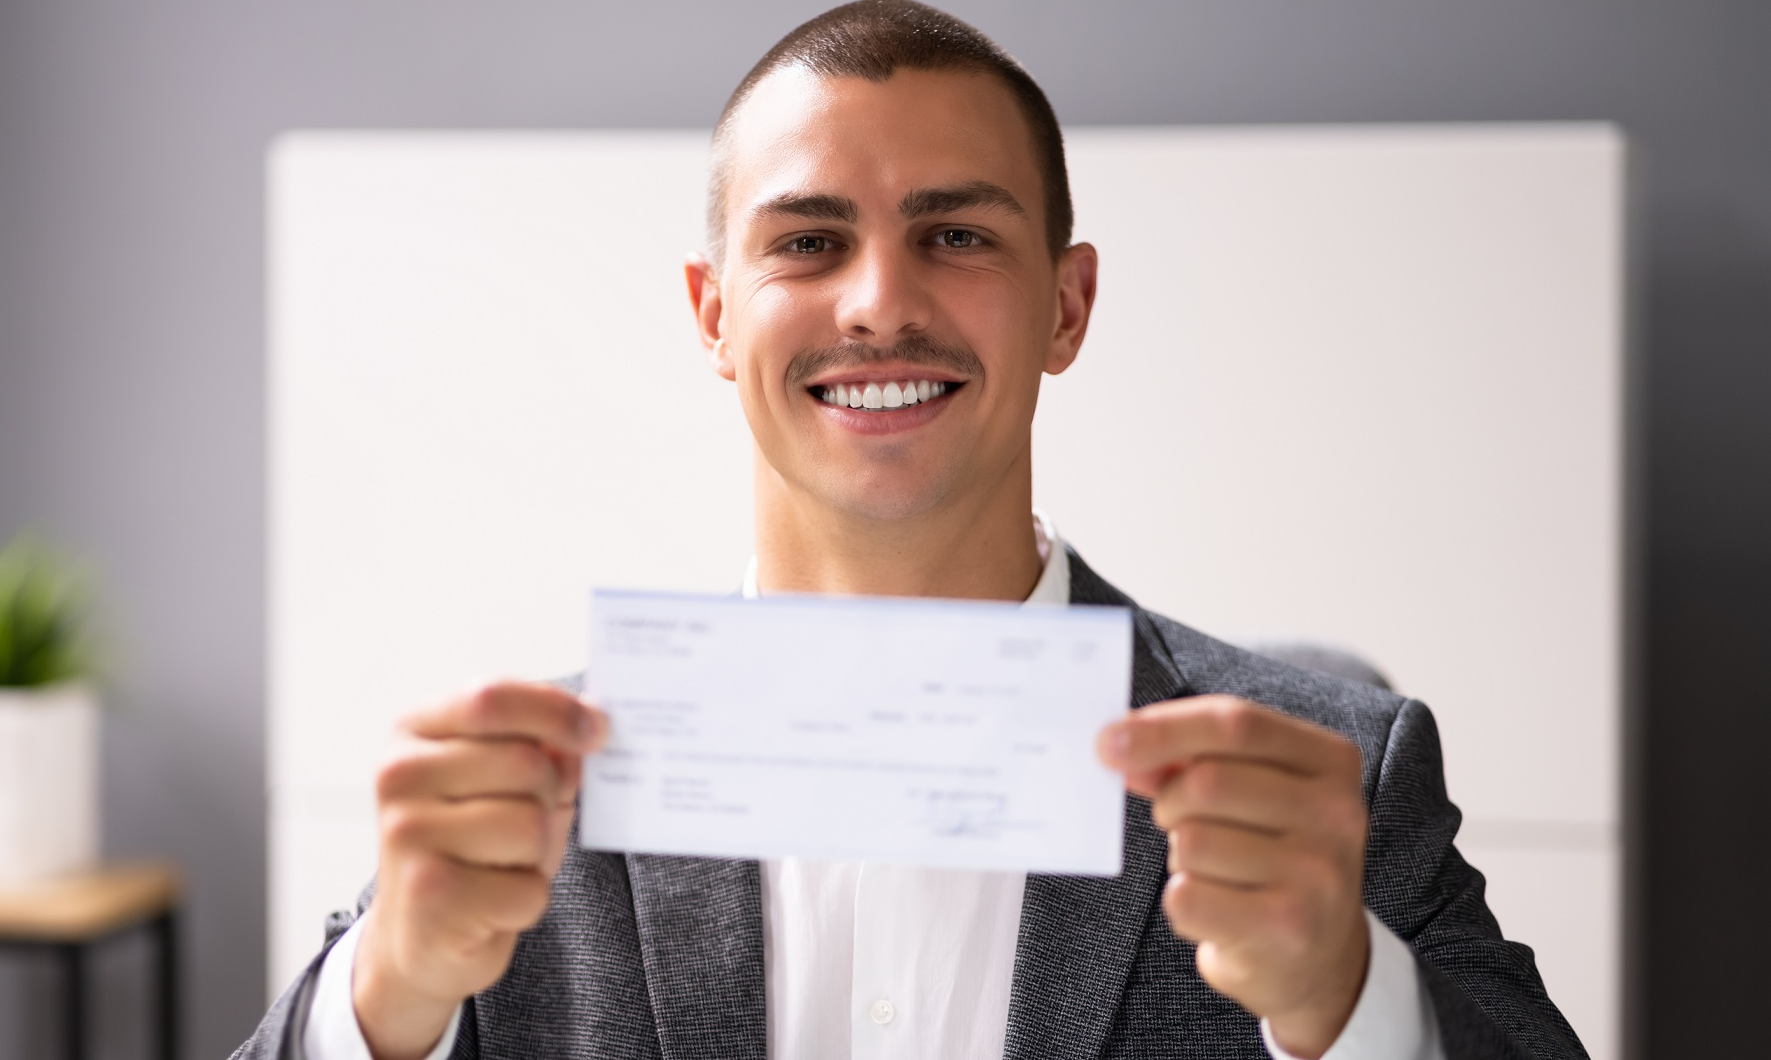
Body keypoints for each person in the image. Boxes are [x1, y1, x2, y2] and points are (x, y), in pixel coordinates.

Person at [235, 3, 1587, 1058]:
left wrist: (1350, 1001)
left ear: (1066, 308)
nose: (879, 303)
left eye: (952, 235)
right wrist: (381, 1002)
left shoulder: (1341, 773)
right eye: (808, 242)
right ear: (713, 313)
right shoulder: (527, 802)